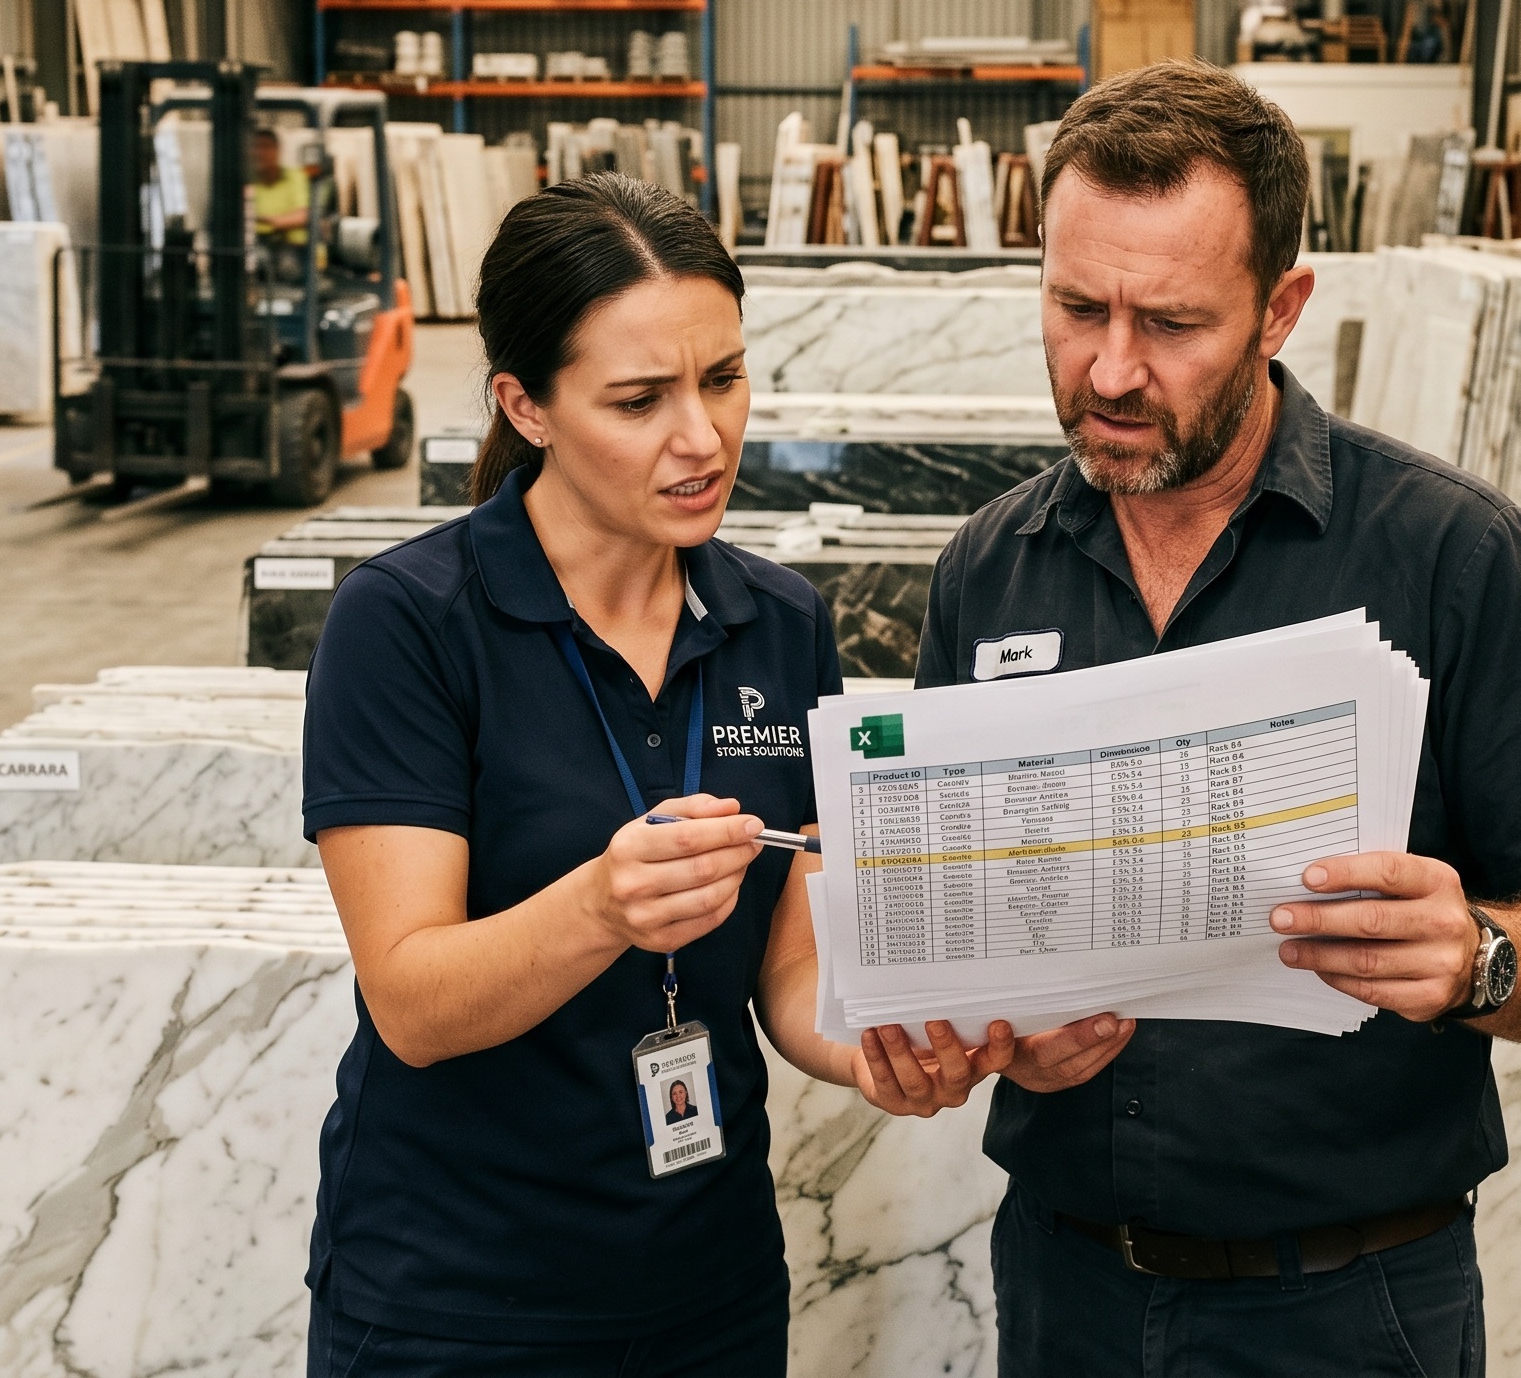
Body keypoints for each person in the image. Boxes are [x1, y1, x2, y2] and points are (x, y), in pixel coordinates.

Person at [913, 61, 1521, 1376]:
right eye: (1078, 306)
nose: (1113, 368)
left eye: (1175, 324)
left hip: (1348, 1305)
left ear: (1281, 310)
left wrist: (1481, 954)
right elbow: (950, 921)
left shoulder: (1450, 557)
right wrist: (967, 1027)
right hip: (1065, 1284)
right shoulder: (994, 565)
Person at [300, 174, 1005, 1378]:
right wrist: (600, 908)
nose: (703, 438)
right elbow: (412, 1004)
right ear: (523, 404)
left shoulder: (779, 624)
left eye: (722, 378)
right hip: (454, 1301)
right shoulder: (410, 626)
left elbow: (791, 957)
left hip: (707, 1289)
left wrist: (874, 1052)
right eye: (638, 400)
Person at [253, 128, 314, 281]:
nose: (260, 153)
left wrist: (270, 221)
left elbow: (304, 216)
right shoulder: (247, 181)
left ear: (277, 150)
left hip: (291, 246)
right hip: (257, 242)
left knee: (286, 267)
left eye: (265, 147)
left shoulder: (296, 177)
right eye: (255, 147)